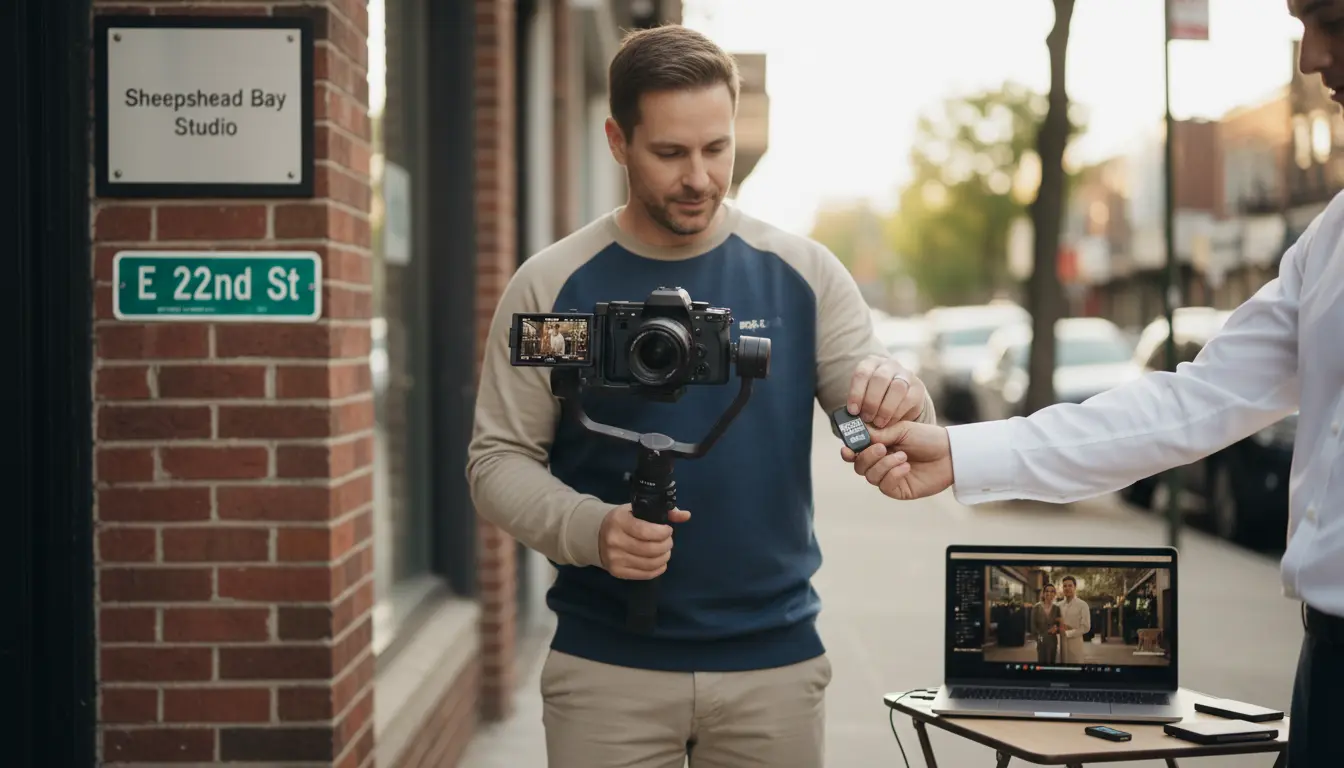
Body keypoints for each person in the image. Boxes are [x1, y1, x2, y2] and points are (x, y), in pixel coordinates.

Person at [841, 6, 1343, 759]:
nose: (1310, 58)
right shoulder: (1330, 237)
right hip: (1327, 667)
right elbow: (1193, 399)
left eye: (1332, 20)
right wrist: (961, 455)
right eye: (1303, 23)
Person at [466, 24, 934, 768]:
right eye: (670, 153)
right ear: (618, 141)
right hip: (604, 668)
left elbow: (873, 406)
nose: (699, 177)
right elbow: (497, 460)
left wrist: (894, 401)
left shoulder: (801, 274)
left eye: (716, 150)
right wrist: (593, 530)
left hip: (773, 668)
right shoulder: (554, 286)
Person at [1055, 576, 1090, 664]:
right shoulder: (1058, 606)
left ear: (1075, 587)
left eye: (1070, 586)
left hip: (1075, 644)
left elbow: (1086, 627)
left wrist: (1068, 632)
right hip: (1060, 644)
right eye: (1065, 586)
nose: (1067, 588)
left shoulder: (1082, 605)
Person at [1030, 583, 1062, 665]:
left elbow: (1059, 624)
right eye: (1047, 591)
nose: (1049, 593)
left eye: (1052, 591)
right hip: (1041, 641)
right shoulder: (1036, 607)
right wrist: (1039, 639)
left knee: (1052, 662)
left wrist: (1056, 628)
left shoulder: (1056, 608)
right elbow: (1033, 626)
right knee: (1042, 663)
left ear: (1054, 594)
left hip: (1052, 640)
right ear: (1043, 593)